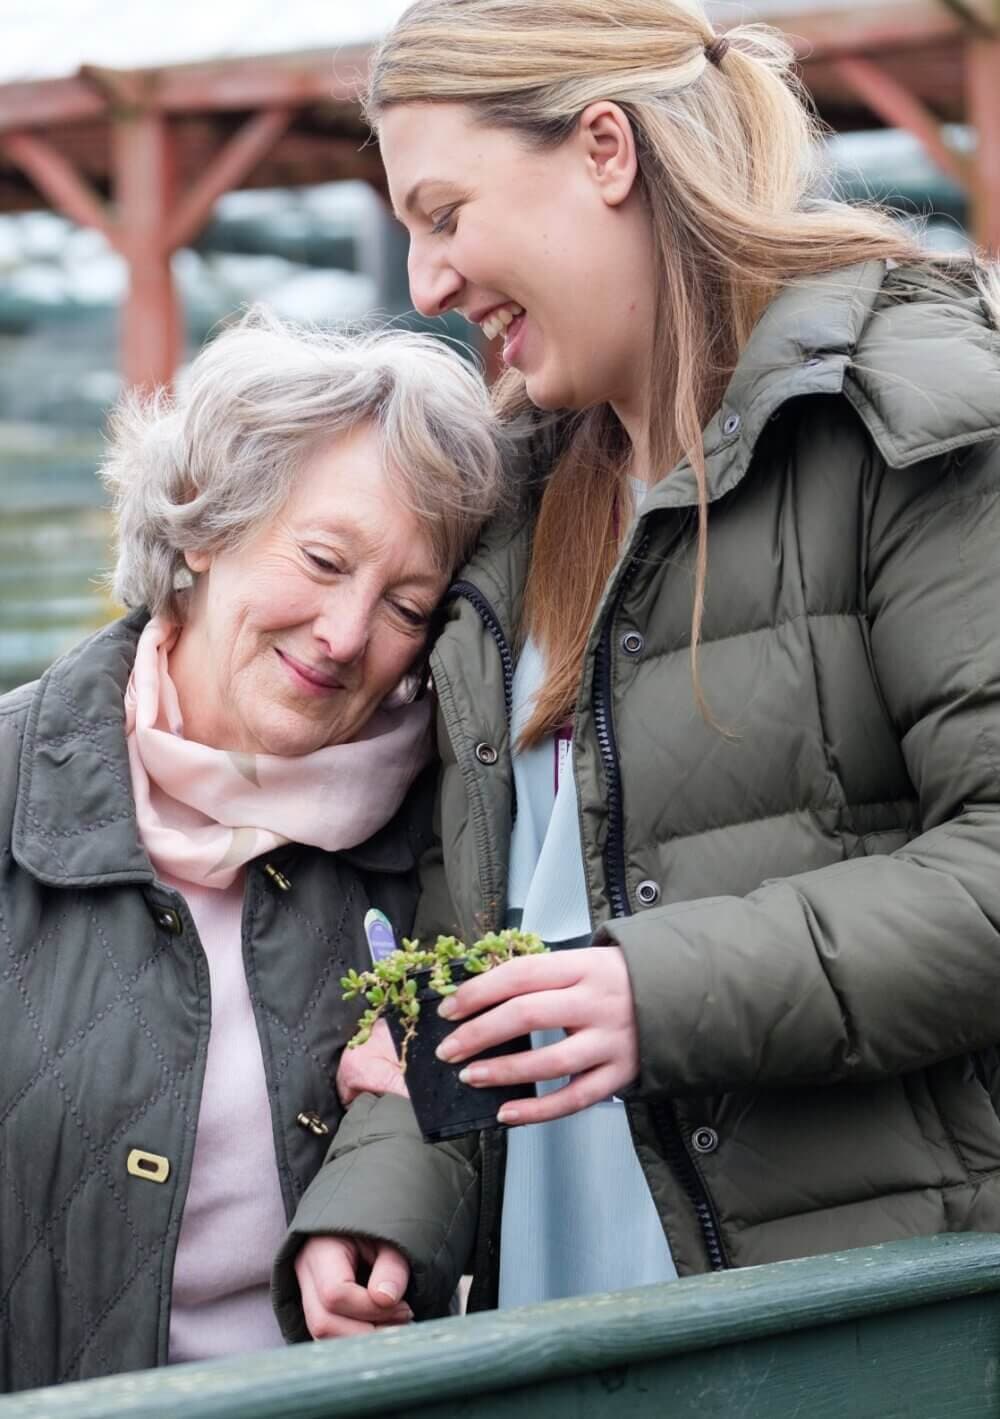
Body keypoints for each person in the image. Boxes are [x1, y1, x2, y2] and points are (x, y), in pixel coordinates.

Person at [274, 0, 1000, 1338]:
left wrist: (652, 992)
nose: (425, 281)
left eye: (445, 211)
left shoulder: (913, 406)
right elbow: (479, 926)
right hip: (576, 1321)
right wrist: (388, 1201)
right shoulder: (511, 511)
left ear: (605, 150)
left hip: (857, 1330)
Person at [0, 311, 504, 1392]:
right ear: (204, 528)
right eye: (322, 560)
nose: (342, 633)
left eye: (405, 606)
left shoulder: (452, 838)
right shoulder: (12, 791)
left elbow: (492, 1137)